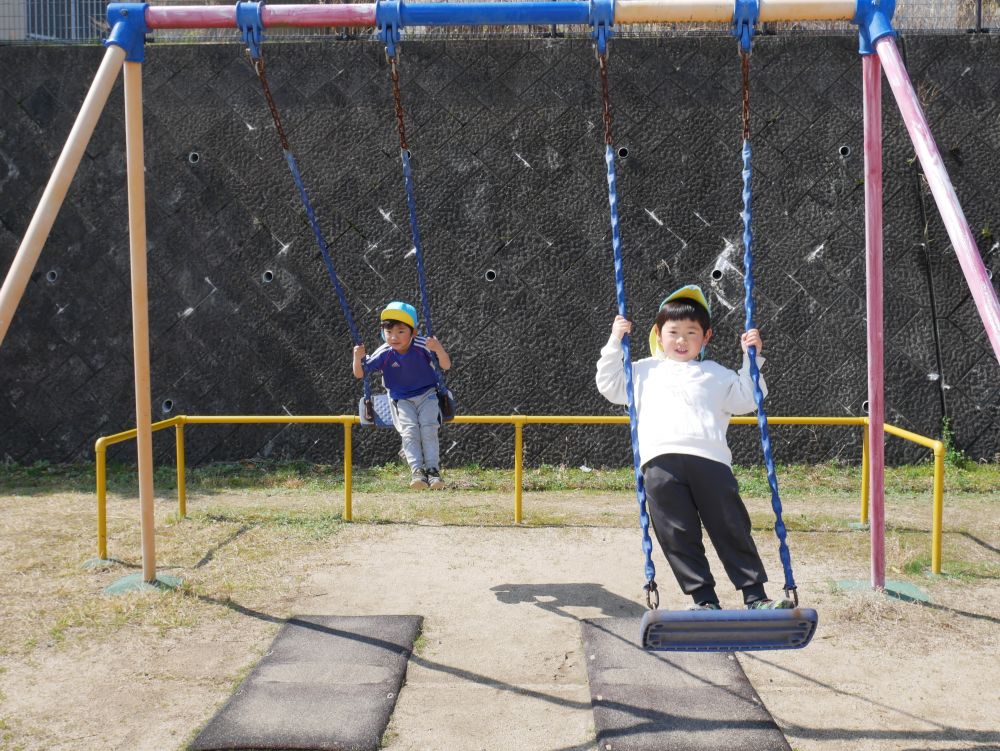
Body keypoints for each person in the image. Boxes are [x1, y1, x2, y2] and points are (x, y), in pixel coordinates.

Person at [595, 285, 792, 611]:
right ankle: (705, 600)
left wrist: (751, 358)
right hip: (660, 465)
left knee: (730, 525)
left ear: (706, 336)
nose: (682, 340)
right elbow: (609, 384)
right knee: (676, 532)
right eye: (673, 332)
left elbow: (749, 397)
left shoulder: (716, 374)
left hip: (710, 462)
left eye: (691, 333)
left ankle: (755, 596)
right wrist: (616, 341)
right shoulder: (642, 371)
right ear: (659, 334)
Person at [353, 301, 451, 490]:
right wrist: (357, 358)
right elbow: (360, 373)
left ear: (413, 332)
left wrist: (438, 348)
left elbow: (446, 365)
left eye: (400, 331)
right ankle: (417, 472)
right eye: (389, 332)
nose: (394, 337)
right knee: (410, 431)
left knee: (428, 428)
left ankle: (433, 471)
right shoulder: (384, 352)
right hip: (401, 399)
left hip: (428, 394)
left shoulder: (423, 345)